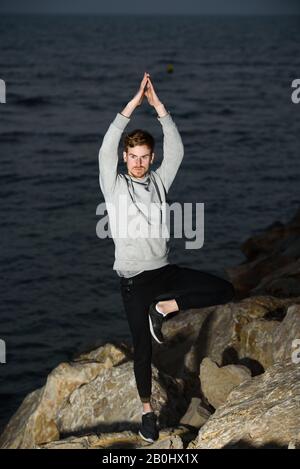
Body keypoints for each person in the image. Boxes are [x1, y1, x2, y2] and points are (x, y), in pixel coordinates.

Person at [98, 72, 235, 443]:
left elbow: (178, 150)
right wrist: (131, 106)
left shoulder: (159, 180)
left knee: (224, 289)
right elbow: (105, 146)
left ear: (151, 157)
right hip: (133, 280)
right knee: (142, 349)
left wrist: (159, 107)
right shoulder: (114, 185)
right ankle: (147, 413)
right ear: (124, 157)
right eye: (133, 157)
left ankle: (164, 309)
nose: (139, 163)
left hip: (165, 272)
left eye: (144, 157)